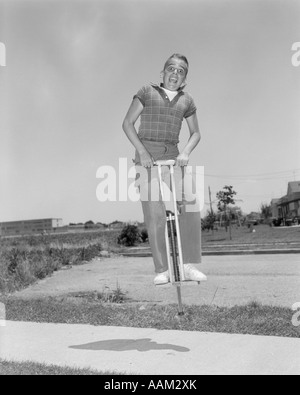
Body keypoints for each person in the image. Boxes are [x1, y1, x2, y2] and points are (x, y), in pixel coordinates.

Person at [122, 54, 207, 285]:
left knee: (189, 203)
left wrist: (186, 152)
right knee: (155, 213)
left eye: (181, 71)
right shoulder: (147, 92)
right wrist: (142, 152)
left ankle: (187, 265)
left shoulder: (186, 100)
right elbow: (127, 123)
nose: (175, 73)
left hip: (173, 157)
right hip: (146, 156)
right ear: (163, 72)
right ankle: (162, 269)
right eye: (171, 68)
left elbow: (196, 133)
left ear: (184, 78)